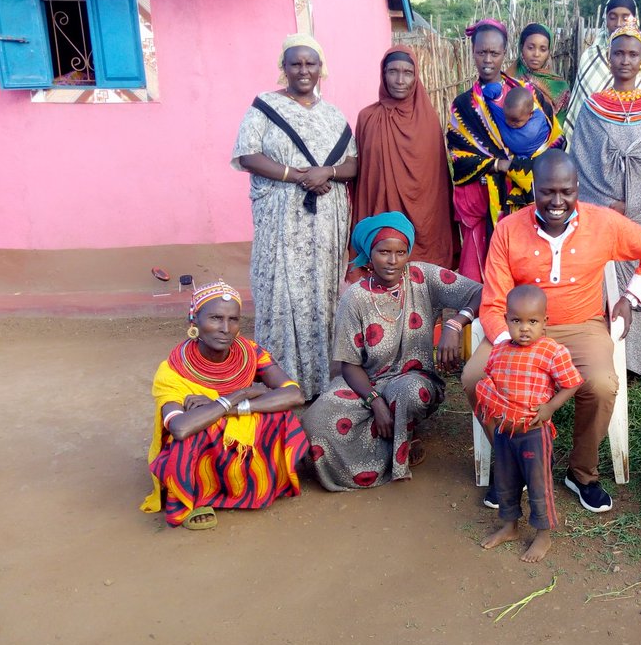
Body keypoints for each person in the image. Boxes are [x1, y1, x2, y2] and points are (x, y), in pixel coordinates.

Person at [462, 150, 641, 514]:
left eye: (566, 191)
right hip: (520, 330)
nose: (557, 201)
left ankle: (581, 472)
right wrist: (513, 349)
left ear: (577, 189)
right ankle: (512, 462)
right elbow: (494, 303)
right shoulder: (509, 229)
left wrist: (630, 297)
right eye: (547, 192)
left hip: (582, 325)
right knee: (474, 377)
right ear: (534, 191)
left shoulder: (603, 223)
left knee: (602, 384)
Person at [303, 212, 482, 490]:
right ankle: (389, 444)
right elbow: (349, 364)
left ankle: (403, 445)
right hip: (366, 382)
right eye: (384, 252)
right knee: (317, 420)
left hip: (414, 380)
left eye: (401, 252)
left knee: (409, 393)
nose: (393, 260)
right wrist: (375, 401)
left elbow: (480, 291)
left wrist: (455, 324)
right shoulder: (355, 298)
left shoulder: (422, 277)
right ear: (369, 253)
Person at [232, 34, 357, 398]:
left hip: (325, 222)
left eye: (311, 63)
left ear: (322, 68)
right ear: (283, 68)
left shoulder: (333, 115)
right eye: (295, 63)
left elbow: (352, 163)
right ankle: (280, 380)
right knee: (281, 292)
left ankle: (323, 381)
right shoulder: (264, 107)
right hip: (281, 219)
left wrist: (327, 173)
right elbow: (247, 155)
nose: (304, 70)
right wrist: (299, 175)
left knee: (322, 294)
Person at [144, 282, 307, 530]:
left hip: (232, 425)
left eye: (233, 320)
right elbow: (179, 427)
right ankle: (195, 496)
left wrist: (227, 408)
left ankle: (257, 483)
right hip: (204, 444)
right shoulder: (173, 371)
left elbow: (294, 395)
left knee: (280, 415)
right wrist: (239, 394)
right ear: (194, 321)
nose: (225, 329)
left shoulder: (250, 353)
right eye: (216, 318)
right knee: (194, 431)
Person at [569, 21, 641, 376]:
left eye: (633, 54)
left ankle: (632, 364)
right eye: (618, 53)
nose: (625, 60)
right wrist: (604, 205)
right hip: (599, 210)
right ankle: (596, 357)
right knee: (595, 281)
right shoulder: (592, 108)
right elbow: (580, 161)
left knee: (637, 281)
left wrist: (633, 205)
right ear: (608, 58)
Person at [447, 19, 565, 281]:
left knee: (526, 272)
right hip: (486, 201)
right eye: (481, 52)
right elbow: (459, 157)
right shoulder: (464, 105)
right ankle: (482, 321)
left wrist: (527, 167)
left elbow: (555, 138)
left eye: (494, 53)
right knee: (484, 274)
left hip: (526, 199)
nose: (487, 59)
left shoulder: (528, 93)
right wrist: (498, 165)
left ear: (504, 53)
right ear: (473, 52)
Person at [477, 285, 584, 563]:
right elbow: (491, 382)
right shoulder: (500, 350)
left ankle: (543, 534)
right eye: (517, 321)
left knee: (539, 483)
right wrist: (492, 408)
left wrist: (549, 407)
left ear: (545, 322)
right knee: (505, 480)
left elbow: (571, 384)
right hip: (504, 431)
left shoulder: (552, 351)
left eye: (533, 321)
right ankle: (509, 526)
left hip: (534, 433)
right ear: (507, 319)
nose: (524, 328)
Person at [352, 46, 454, 268]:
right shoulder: (367, 118)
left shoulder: (428, 120)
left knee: (424, 273)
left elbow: (437, 183)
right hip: (380, 210)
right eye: (392, 72)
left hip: (425, 215)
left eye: (407, 73)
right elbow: (363, 177)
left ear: (416, 76)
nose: (400, 80)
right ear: (383, 74)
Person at [562, 0, 641, 143]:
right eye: (612, 17)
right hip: (594, 141)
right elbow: (581, 105)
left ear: (635, 20)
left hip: (637, 140)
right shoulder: (590, 57)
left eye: (625, 17)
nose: (618, 23)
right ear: (605, 20)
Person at [506, 22, 571, 127]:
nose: (536, 54)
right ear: (522, 47)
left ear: (549, 52)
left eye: (543, 49)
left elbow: (561, 128)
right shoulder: (508, 78)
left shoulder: (560, 87)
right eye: (530, 48)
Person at [500, 87, 552, 158]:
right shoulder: (521, 113)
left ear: (531, 114)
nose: (510, 123)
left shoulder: (533, 129)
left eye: (516, 120)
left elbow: (516, 145)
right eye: (506, 117)